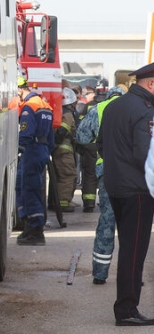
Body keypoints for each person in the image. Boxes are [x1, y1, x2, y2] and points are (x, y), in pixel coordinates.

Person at [97, 62, 154, 326]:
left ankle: (126, 306)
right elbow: (146, 154)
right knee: (134, 250)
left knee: (128, 247)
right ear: (151, 84)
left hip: (115, 186)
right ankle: (127, 310)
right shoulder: (146, 111)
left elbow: (101, 146)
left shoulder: (113, 106)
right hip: (138, 190)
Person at [76, 85, 126, 284]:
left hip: (107, 171)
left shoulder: (98, 108)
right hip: (133, 172)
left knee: (107, 221)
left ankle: (99, 273)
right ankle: (131, 274)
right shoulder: (137, 108)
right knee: (131, 224)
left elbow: (81, 136)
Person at [16, 75, 55, 246]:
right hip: (42, 150)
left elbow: (25, 133)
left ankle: (35, 230)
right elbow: (51, 137)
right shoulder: (45, 105)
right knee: (29, 187)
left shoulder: (28, 107)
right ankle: (30, 226)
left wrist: (19, 151)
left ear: (19, 90)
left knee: (28, 189)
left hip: (32, 150)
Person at [52, 88, 78, 212]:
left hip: (60, 149)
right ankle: (63, 203)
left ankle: (59, 201)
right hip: (64, 150)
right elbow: (62, 131)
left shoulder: (60, 111)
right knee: (68, 175)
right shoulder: (67, 114)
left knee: (59, 176)